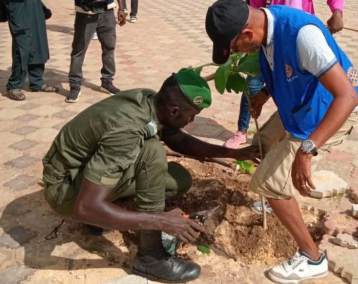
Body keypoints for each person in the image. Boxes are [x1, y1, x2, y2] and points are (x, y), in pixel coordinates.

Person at [205, 0, 358, 283]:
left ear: (247, 34)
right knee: (262, 142)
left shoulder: (302, 35)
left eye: (234, 48)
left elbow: (347, 97)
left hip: (332, 107)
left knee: (267, 182)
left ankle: (312, 258)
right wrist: (265, 93)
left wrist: (308, 149)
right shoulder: (267, 26)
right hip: (305, 103)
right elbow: (285, 64)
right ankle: (275, 200)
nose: (235, 54)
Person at [42, 69, 257, 283]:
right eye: (191, 116)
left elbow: (178, 140)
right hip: (64, 189)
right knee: (152, 152)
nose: (191, 121)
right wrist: (162, 222)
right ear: (174, 112)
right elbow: (85, 207)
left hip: (80, 171)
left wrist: (232, 153)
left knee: (177, 180)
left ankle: (108, 206)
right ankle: (151, 258)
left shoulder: (150, 100)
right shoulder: (127, 130)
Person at [225, 0, 344, 148]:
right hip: (262, 37)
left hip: (295, 39)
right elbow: (253, 8)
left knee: (295, 88)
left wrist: (337, 11)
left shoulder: (305, 36)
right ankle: (242, 130)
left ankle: (296, 134)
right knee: (253, 84)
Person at [66, 0, 126, 103]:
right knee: (79, 50)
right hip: (85, 12)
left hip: (107, 11)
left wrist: (122, 8)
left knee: (109, 47)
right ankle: (75, 84)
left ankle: (107, 81)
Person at [1, 0, 57, 101]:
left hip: (34, 7)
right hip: (18, 8)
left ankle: (37, 82)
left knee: (38, 44)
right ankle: (14, 85)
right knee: (22, 49)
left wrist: (42, 8)